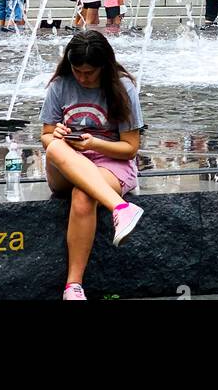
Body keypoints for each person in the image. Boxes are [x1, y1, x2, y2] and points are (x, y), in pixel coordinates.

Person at [40, 31, 145, 300]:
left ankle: (73, 287)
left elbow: (130, 148)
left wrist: (93, 144)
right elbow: (46, 136)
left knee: (84, 194)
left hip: (111, 163)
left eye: (90, 72)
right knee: (54, 145)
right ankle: (120, 207)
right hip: (68, 163)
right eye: (78, 71)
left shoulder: (123, 88)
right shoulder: (60, 85)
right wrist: (59, 135)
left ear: (104, 67)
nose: (83, 78)